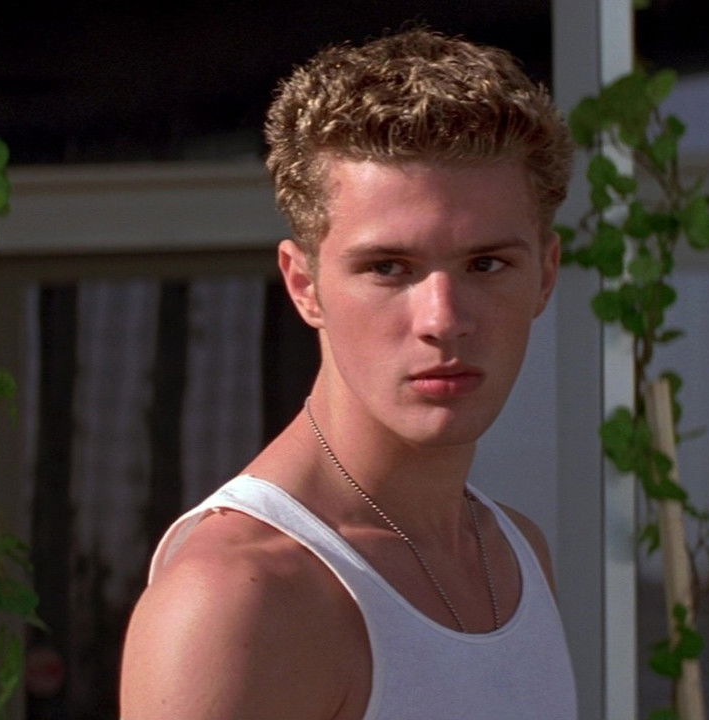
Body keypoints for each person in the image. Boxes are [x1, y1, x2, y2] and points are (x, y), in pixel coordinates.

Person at [121, 28, 577, 719]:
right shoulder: (239, 596)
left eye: (486, 264)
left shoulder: (516, 556)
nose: (443, 319)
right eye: (388, 268)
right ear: (304, 285)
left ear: (545, 275)